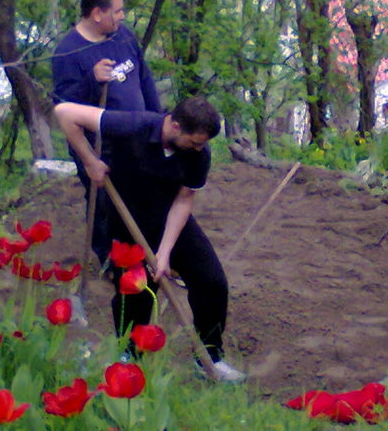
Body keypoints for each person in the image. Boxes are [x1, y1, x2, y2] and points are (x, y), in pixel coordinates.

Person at [54, 97, 245, 382]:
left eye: (202, 144)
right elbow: (65, 112)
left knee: (212, 282)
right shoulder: (133, 125)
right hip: (126, 223)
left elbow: (184, 200)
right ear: (175, 126)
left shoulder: (199, 155)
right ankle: (129, 357)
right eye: (194, 142)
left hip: (171, 222)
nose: (199, 148)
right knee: (135, 294)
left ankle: (209, 358)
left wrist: (165, 253)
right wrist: (90, 161)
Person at [52, 0, 161, 265]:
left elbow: (144, 78)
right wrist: (92, 80)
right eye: (116, 11)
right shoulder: (68, 51)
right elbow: (64, 107)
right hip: (99, 144)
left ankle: (142, 251)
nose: (122, 16)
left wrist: (157, 121)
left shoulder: (123, 35)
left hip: (137, 134)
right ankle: (108, 261)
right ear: (97, 13)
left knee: (141, 194)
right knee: (102, 204)